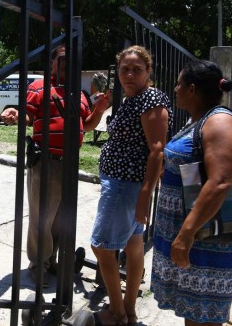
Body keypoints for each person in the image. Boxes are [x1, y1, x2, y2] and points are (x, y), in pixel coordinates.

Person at [0, 44, 103, 288]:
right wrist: (16, 116)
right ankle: (38, 265)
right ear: (53, 63)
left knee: (60, 220)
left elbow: (86, 125)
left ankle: (52, 261)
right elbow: (28, 115)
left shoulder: (78, 92)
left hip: (69, 164)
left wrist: (98, 110)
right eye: (63, 59)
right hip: (45, 163)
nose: (68, 64)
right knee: (41, 219)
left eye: (72, 60)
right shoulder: (38, 87)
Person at [150, 60, 232, 326]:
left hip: (204, 236)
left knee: (203, 315)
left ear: (191, 89)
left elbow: (221, 182)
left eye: (179, 84)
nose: (175, 88)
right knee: (194, 315)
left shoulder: (220, 121)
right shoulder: (200, 120)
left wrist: (186, 234)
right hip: (194, 234)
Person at [89, 45, 171, 326]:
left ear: (148, 72)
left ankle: (116, 313)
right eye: (125, 69)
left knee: (101, 246)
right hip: (123, 184)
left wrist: (144, 196)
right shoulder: (131, 99)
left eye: (137, 69)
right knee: (134, 246)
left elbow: (157, 150)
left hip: (126, 185)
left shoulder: (151, 98)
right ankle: (130, 312)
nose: (130, 74)